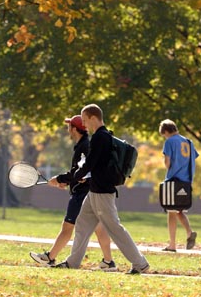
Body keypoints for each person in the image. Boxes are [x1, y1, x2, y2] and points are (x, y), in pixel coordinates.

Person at [54, 104, 149, 274]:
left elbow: (89, 164)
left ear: (93, 118)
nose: (84, 124)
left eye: (84, 120)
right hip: (95, 191)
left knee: (115, 229)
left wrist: (66, 179)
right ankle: (72, 262)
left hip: (103, 193)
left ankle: (140, 263)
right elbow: (95, 166)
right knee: (82, 224)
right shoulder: (103, 136)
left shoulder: (100, 137)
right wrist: (76, 177)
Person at [30, 115, 116, 271]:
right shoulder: (83, 145)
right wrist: (67, 181)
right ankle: (108, 262)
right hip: (87, 192)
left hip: (81, 195)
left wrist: (60, 178)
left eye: (69, 126)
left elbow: (82, 172)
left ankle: (50, 257)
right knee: (99, 227)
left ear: (74, 129)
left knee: (68, 226)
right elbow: (80, 173)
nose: (67, 129)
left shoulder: (84, 146)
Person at [159, 119, 199, 252]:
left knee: (171, 211)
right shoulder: (189, 142)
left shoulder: (169, 141)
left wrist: (167, 163)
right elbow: (193, 159)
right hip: (186, 181)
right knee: (179, 211)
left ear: (165, 131)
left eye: (163, 134)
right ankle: (189, 233)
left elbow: (167, 163)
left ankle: (172, 245)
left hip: (173, 179)